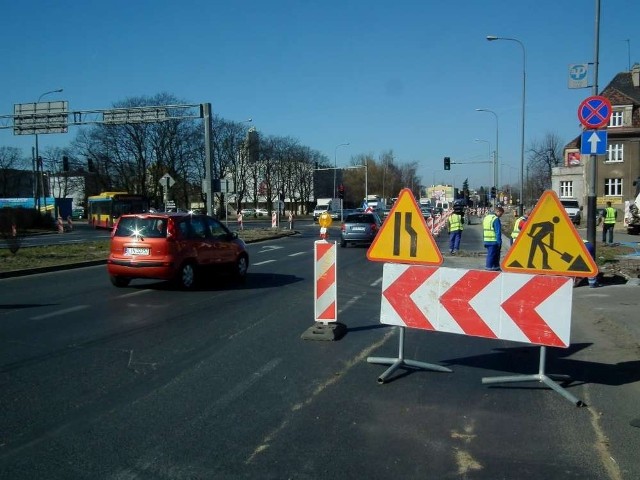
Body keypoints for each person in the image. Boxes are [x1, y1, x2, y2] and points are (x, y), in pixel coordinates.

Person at [483, 206, 504, 271]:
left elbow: (484, 229)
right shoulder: (495, 219)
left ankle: (496, 267)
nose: (501, 215)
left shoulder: (486, 217)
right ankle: (489, 268)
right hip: (493, 240)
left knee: (492, 254)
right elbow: (498, 232)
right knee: (492, 255)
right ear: (497, 211)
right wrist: (499, 242)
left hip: (487, 239)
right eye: (501, 213)